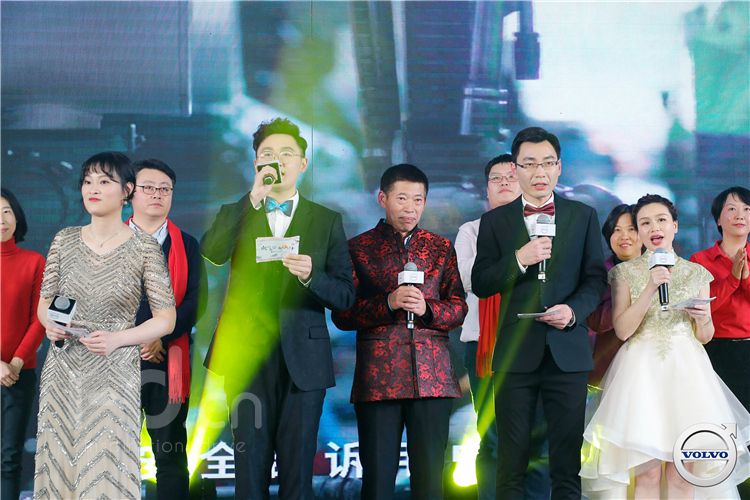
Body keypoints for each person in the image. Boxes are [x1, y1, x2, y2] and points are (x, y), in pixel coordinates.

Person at [200, 117, 354, 499]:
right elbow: (212, 251)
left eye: (287, 153)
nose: (277, 160)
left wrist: (311, 276)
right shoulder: (237, 212)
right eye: (268, 153)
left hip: (305, 357)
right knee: (249, 469)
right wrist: (252, 198)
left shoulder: (326, 220)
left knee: (297, 470)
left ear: (303, 163)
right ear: (256, 163)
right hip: (247, 357)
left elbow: (345, 296)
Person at [581, 194, 750, 499]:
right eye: (645, 223)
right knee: (646, 473)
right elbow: (623, 329)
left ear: (675, 225)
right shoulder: (624, 273)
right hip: (640, 374)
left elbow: (705, 335)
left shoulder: (697, 272)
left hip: (688, 374)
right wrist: (650, 286)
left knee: (683, 473)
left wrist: (702, 318)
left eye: (661, 220)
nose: (654, 228)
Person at [472, 126, 607, 499]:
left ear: (559, 167)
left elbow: (595, 279)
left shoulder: (582, 215)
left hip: (568, 353)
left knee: (566, 463)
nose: (539, 172)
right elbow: (482, 282)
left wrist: (572, 312)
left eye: (547, 163)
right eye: (529, 164)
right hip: (515, 356)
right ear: (515, 169)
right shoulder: (495, 221)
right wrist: (520, 258)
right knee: (511, 461)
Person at [33, 152, 176, 499]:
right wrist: (50, 325)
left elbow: (166, 318)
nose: (93, 189)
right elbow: (44, 303)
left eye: (104, 181)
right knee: (59, 460)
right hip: (63, 371)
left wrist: (117, 339)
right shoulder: (64, 239)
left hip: (115, 372)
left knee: (107, 463)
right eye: (88, 181)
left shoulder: (144, 247)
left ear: (127, 190)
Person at [332, 164, 467, 499]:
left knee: (431, 483)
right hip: (380, 380)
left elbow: (458, 308)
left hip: (432, 379)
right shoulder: (358, 248)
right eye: (402, 198)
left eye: (418, 200)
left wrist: (428, 309)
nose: (410, 208)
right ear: (383, 199)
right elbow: (343, 314)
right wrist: (388, 302)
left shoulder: (440, 247)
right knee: (377, 482)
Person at [455, 154, 549, 499]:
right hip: (486, 345)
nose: (505, 183)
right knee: (493, 439)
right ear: (486, 189)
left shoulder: (544, 230)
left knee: (537, 440)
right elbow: (468, 279)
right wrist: (519, 259)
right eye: (497, 178)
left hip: (535, 345)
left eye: (512, 176)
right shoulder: (471, 231)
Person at [129, 159, 206, 499]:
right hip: (118, 362)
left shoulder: (187, 244)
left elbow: (197, 300)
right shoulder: (109, 242)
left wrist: (161, 336)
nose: (157, 194)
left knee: (171, 454)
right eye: (148, 187)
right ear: (130, 192)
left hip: (168, 359)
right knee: (113, 452)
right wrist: (141, 338)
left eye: (164, 189)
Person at [1, 188, 46, 500]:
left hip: (19, 375)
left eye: (6, 211)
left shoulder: (34, 261)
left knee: (9, 457)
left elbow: (39, 319)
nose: (2, 220)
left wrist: (15, 363)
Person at [587, 203, 643, 387]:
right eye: (617, 230)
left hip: (654, 362)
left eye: (631, 229)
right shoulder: (598, 274)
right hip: (612, 367)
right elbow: (595, 321)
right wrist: (629, 294)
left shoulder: (660, 269)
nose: (624, 236)